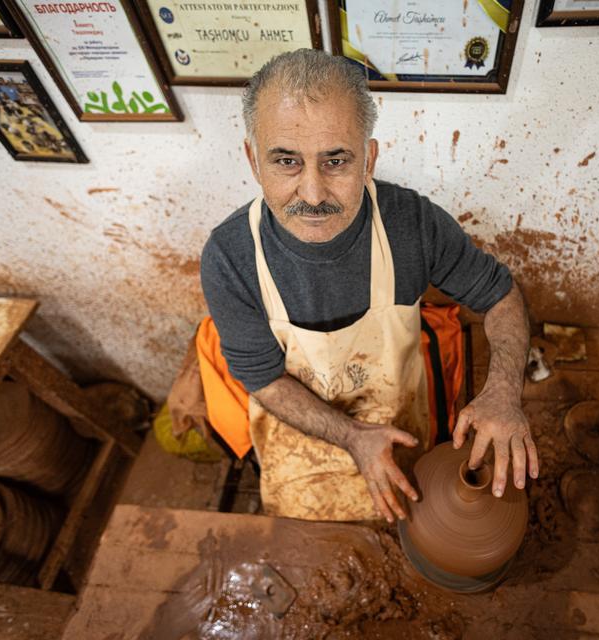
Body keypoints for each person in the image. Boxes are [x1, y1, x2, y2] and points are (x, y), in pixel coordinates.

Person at [200, 48, 538, 523]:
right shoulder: (229, 258)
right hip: (301, 432)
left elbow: (500, 296)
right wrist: (352, 437)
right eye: (286, 162)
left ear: (369, 158)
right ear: (254, 160)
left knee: (429, 517)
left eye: (336, 161)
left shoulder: (412, 225)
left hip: (397, 421)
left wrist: (504, 391)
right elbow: (263, 380)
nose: (313, 194)